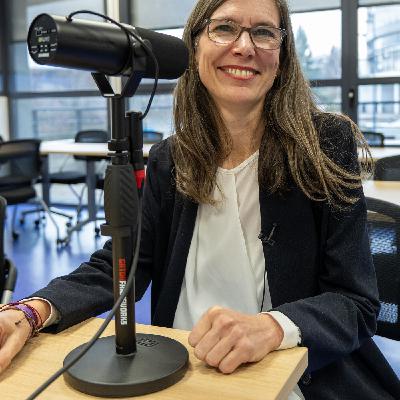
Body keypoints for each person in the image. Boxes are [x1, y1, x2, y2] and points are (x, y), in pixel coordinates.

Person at [1, 0, 400, 398]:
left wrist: (272, 326)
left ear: (283, 55)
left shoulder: (324, 144)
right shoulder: (170, 158)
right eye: (224, 28)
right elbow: (125, 262)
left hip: (287, 376)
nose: (245, 47)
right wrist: (31, 311)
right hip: (180, 373)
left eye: (263, 32)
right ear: (194, 47)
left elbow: (356, 302)